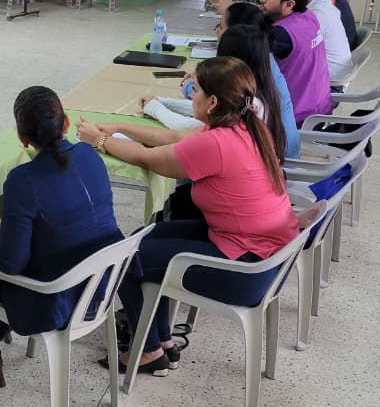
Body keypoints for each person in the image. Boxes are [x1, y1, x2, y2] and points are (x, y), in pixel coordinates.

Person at [76, 57, 298, 376]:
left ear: (213, 101)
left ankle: (149, 351)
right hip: (259, 250)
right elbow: (177, 140)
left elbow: (148, 158)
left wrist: (98, 140)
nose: (191, 95)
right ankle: (162, 341)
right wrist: (119, 128)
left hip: (246, 269)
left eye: (196, 90)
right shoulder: (246, 125)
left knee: (127, 256)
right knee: (145, 236)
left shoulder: (217, 143)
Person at [0, 86, 123, 388]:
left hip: (54, 302)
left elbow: (11, 264)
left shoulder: (22, 180)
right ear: (66, 123)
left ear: (21, 137)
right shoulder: (89, 155)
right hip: (101, 287)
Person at [128, 24, 296, 160]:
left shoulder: (248, 104)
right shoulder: (257, 89)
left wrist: (154, 108)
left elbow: (183, 131)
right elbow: (206, 107)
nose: (217, 30)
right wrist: (164, 102)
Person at [261, 0, 331, 127]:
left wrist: (230, 16)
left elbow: (244, 51)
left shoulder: (282, 35)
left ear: (289, 4)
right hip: (318, 108)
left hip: (295, 118)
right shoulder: (308, 15)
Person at [293, 0, 353, 87]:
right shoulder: (322, 2)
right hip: (334, 73)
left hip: (331, 85)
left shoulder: (318, 14)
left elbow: (296, 49)